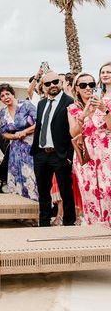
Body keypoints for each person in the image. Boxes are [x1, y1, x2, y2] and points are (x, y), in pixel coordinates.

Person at [30, 71, 76, 227]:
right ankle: (43, 224)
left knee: (66, 192)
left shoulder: (69, 102)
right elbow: (40, 128)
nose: (53, 85)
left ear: (60, 83)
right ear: (43, 87)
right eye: (48, 83)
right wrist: (35, 152)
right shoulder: (41, 104)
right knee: (43, 192)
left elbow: (73, 131)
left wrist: (69, 156)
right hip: (41, 154)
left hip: (60, 155)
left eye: (55, 81)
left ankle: (69, 224)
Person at [67, 71, 111, 225]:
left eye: (91, 84)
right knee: (90, 191)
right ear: (76, 88)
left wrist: (104, 109)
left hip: (105, 154)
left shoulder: (104, 103)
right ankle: (94, 226)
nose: (88, 88)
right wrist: (83, 115)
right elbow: (73, 133)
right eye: (83, 85)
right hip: (86, 155)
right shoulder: (73, 108)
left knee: (108, 190)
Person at [0, 83, 38, 200]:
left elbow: (38, 122)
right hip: (14, 148)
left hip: (30, 146)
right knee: (16, 175)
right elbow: (3, 132)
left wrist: (25, 131)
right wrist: (15, 136)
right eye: (2, 96)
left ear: (13, 94)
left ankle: (34, 207)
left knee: (31, 175)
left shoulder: (26, 105)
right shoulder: (3, 112)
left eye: (7, 94)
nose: (6, 97)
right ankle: (18, 209)